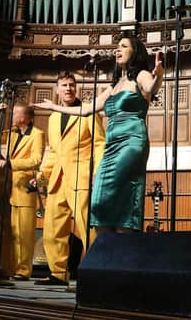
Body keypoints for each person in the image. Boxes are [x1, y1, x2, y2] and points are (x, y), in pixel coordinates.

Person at [34, 33, 163, 233]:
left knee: (124, 194)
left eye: (124, 46)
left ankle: (124, 240)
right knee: (99, 201)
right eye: (117, 46)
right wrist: (54, 107)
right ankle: (108, 249)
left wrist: (159, 74)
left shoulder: (141, 75)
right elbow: (85, 110)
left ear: (134, 51)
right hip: (111, 147)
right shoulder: (114, 86)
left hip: (131, 144)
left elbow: (152, 87)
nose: (117, 50)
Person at [33, 71, 106, 286]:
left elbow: (99, 144)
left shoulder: (88, 112)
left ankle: (96, 271)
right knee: (53, 228)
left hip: (81, 176)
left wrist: (97, 172)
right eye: (64, 85)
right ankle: (58, 273)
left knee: (86, 227)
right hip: (58, 178)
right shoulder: (54, 117)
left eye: (71, 85)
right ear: (57, 90)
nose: (68, 88)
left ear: (76, 88)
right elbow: (54, 150)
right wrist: (42, 175)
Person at [0, 101, 44, 281]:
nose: (12, 117)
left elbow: (36, 160)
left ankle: (23, 271)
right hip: (7, 189)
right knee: (11, 233)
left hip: (24, 190)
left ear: (24, 117)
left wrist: (11, 163)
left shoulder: (37, 135)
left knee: (24, 234)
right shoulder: (10, 134)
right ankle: (8, 268)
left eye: (15, 114)